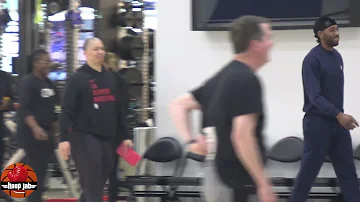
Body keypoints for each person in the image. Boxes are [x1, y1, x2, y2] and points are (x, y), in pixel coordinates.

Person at [169, 15, 276, 202]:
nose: (272, 44)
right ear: (255, 44)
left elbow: (178, 105)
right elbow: (242, 135)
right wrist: (263, 183)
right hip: (235, 181)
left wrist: (190, 142)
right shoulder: (247, 80)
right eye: (268, 38)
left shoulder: (220, 78)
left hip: (214, 177)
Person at [289, 16, 360, 202]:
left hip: (338, 125)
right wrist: (338, 114)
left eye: (337, 29)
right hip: (317, 125)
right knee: (307, 176)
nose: (336, 33)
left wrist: (339, 117)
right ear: (320, 34)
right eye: (332, 30)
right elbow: (315, 97)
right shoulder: (312, 60)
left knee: (349, 175)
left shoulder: (337, 57)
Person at [58, 38, 133, 202]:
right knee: (92, 183)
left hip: (107, 138)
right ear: (85, 53)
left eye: (101, 48)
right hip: (84, 137)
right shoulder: (77, 79)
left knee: (98, 182)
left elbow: (119, 109)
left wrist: (126, 136)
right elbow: (66, 111)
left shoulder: (111, 78)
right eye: (95, 49)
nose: (99, 52)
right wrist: (63, 139)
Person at [17, 49, 59, 202]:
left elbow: (55, 110)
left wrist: (56, 134)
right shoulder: (28, 82)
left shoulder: (49, 83)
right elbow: (24, 108)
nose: (48, 65)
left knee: (41, 177)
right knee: (32, 177)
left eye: (49, 61)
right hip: (31, 137)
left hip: (46, 137)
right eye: (44, 61)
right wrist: (35, 128)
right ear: (35, 63)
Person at [104, 52, 131, 202]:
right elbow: (124, 107)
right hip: (118, 132)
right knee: (112, 171)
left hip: (104, 133)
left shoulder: (103, 81)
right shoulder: (120, 81)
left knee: (100, 172)